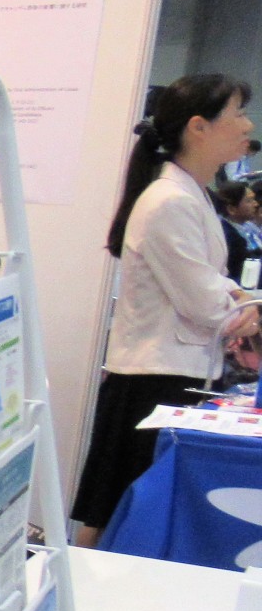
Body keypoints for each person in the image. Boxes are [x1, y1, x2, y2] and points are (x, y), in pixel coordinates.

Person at [71, 75, 260, 543]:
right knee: (119, 514)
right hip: (152, 380)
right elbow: (207, 303)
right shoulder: (169, 200)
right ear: (199, 127)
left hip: (175, 372)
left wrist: (240, 299)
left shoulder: (191, 194)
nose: (247, 125)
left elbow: (216, 284)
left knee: (122, 513)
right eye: (237, 113)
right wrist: (244, 306)